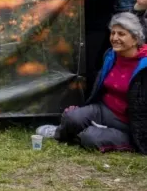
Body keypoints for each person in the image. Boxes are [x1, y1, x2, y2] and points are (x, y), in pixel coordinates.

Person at [37, 13, 147, 153]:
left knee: (90, 137)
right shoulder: (111, 55)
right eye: (112, 33)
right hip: (105, 109)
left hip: (131, 124)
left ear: (136, 39)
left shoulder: (144, 66)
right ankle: (61, 133)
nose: (114, 38)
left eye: (121, 34)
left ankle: (130, 142)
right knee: (72, 117)